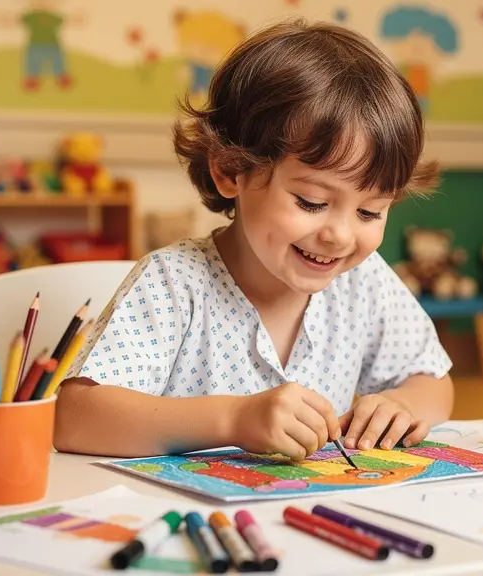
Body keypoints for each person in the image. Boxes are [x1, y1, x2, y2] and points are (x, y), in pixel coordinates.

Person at [53, 19, 454, 461]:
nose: (339, 235)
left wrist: (404, 404)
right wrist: (233, 420)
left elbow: (433, 382)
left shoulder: (364, 283)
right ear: (229, 170)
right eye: (311, 201)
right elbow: (76, 417)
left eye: (369, 212)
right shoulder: (174, 282)